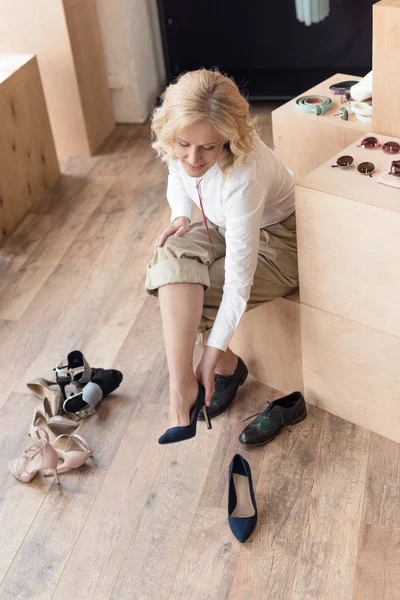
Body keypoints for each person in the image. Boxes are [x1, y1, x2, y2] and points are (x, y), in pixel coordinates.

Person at [146, 69, 299, 444]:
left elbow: (237, 285)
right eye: (184, 144)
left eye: (209, 148)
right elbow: (178, 175)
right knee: (169, 257)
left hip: (281, 237)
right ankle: (183, 384)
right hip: (225, 224)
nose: (193, 158)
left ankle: (210, 377)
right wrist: (181, 214)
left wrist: (211, 353)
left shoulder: (243, 177)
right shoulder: (181, 140)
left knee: (189, 301)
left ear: (229, 141)